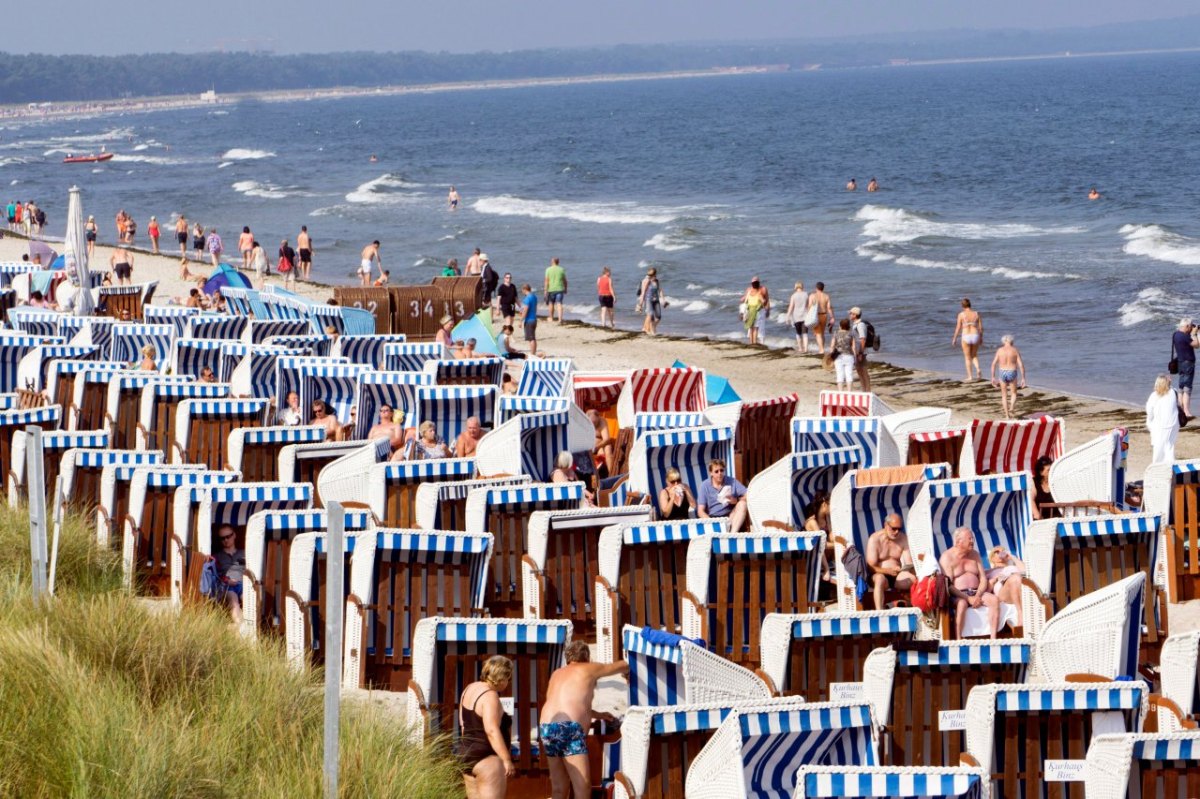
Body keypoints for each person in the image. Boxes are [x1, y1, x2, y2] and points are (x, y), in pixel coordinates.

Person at [539, 640, 628, 799]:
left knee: (559, 787)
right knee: (583, 786)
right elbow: (621, 665)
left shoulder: (556, 674)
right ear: (586, 656)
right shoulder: (588, 668)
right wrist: (627, 672)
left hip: (547, 727)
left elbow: (566, 702)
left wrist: (598, 715)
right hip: (569, 729)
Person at [453, 655, 515, 799]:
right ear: (502, 678)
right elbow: (492, 730)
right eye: (509, 678)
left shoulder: (470, 688)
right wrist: (506, 759)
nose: (508, 682)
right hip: (487, 759)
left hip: (466, 754)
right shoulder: (490, 696)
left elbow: (463, 723)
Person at [939, 527, 1002, 639]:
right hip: (958, 595)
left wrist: (977, 595)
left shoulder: (975, 555)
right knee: (962, 603)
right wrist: (968, 598)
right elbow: (948, 584)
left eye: (972, 538)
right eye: (970, 539)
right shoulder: (947, 557)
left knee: (994, 600)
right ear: (959, 541)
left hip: (976, 592)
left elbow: (982, 578)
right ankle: (958, 639)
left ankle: (993, 638)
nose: (973, 541)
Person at [865, 513, 915, 611]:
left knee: (914, 579)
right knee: (879, 579)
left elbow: (909, 563)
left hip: (897, 575)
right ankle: (880, 612)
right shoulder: (875, 539)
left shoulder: (903, 538)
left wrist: (907, 569)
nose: (896, 532)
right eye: (894, 528)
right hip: (879, 575)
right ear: (886, 525)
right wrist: (887, 571)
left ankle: (919, 611)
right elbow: (870, 567)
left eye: (899, 529)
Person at [696, 458, 748, 532]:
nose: (719, 473)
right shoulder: (705, 486)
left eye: (721, 470)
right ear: (711, 473)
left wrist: (736, 500)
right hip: (714, 517)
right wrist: (712, 523)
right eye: (716, 471)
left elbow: (749, 495)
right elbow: (700, 511)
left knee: (742, 504)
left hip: (731, 516)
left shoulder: (731, 481)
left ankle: (732, 536)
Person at [214, 524, 246, 626]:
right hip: (227, 586)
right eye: (222, 538)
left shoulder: (244, 553)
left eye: (228, 536)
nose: (226, 540)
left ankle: (250, 626)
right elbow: (215, 575)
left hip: (243, 584)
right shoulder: (217, 556)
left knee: (247, 599)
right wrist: (226, 580)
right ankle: (241, 626)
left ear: (234, 535)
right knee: (233, 600)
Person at [987, 546, 1026, 627]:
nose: (1001, 553)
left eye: (1003, 551)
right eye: (997, 552)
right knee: (1015, 578)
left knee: (1016, 577)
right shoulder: (989, 571)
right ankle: (1021, 614)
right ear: (992, 558)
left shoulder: (1014, 567)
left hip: (1019, 586)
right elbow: (986, 589)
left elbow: (1026, 571)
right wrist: (994, 579)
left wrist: (1012, 557)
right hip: (1003, 592)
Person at [1147, 373, 1182, 464]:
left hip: (1161, 426)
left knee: (1159, 448)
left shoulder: (1154, 396)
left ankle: (1157, 466)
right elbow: (1178, 404)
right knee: (1169, 446)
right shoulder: (1173, 392)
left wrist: (1150, 421)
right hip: (1174, 424)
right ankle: (1170, 464)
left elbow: (1150, 413)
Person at [989, 334, 1026, 419]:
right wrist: (1023, 378)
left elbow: (993, 364)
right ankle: (1012, 407)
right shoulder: (1015, 350)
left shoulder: (999, 350)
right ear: (1011, 341)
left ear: (1003, 342)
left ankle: (1007, 415)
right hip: (1012, 371)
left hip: (1002, 372)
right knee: (1013, 393)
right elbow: (1020, 365)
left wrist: (993, 377)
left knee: (1004, 395)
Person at [952, 298, 984, 381]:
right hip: (975, 335)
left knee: (967, 357)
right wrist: (981, 337)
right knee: (974, 355)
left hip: (966, 335)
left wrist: (954, 338)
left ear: (962, 306)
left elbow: (958, 327)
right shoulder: (976, 314)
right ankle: (978, 369)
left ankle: (970, 376)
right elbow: (980, 328)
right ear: (970, 305)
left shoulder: (961, 314)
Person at [1172, 318, 1198, 419]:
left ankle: (1180, 409)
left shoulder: (1176, 334)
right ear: (1187, 326)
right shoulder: (1185, 337)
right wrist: (1195, 334)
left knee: (1181, 386)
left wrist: (1191, 332)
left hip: (1180, 362)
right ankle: (1186, 411)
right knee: (1187, 387)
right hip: (1188, 363)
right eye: (1190, 326)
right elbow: (1196, 345)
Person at [807, 282, 834, 355]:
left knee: (818, 333)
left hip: (815, 316)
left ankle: (821, 350)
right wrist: (832, 317)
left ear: (816, 288)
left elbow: (809, 306)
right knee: (822, 333)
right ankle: (822, 348)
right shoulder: (826, 296)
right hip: (824, 315)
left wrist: (807, 315)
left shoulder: (812, 295)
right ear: (823, 288)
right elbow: (829, 308)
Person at [849, 307, 871, 391]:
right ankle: (864, 390)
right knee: (859, 371)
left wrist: (860, 353)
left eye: (851, 313)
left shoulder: (860, 325)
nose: (849, 315)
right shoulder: (855, 324)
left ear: (855, 315)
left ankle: (868, 391)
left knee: (864, 371)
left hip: (861, 352)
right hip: (857, 352)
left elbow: (863, 339)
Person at [831, 318, 857, 391]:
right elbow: (853, 347)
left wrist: (831, 356)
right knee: (849, 375)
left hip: (838, 356)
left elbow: (832, 345)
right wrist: (855, 357)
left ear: (840, 325)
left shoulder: (836, 333)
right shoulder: (851, 333)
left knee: (839, 375)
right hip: (849, 356)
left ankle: (840, 392)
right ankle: (849, 392)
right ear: (848, 326)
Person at [741, 277, 769, 346]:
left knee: (751, 328)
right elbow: (765, 301)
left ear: (752, 284)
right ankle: (755, 343)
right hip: (758, 312)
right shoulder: (760, 292)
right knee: (756, 328)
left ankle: (751, 343)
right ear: (758, 284)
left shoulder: (749, 291)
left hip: (749, 311)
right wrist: (766, 305)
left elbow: (743, 300)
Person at [785, 281, 810, 354]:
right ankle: (805, 349)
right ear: (802, 286)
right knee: (805, 333)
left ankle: (800, 348)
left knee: (798, 333)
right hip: (805, 316)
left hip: (796, 317)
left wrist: (787, 316)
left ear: (795, 287)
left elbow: (791, 307)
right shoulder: (806, 294)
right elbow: (808, 306)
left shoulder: (793, 296)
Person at [1031, 455, 1058, 520]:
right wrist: (1037, 515)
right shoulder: (1034, 482)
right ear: (1041, 472)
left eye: (1052, 469)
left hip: (1056, 518)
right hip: (1040, 519)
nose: (1051, 472)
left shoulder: (1056, 481)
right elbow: (1031, 499)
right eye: (1048, 470)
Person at [588, 409, 614, 477]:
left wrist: (596, 447)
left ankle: (612, 475)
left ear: (598, 417)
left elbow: (607, 439)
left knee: (608, 450)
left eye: (595, 422)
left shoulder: (602, 422)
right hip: (590, 447)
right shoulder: (584, 423)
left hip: (601, 445)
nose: (594, 425)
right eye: (592, 423)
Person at [636, 268, 662, 336]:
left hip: (655, 300)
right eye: (649, 274)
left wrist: (663, 299)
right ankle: (647, 329)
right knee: (650, 314)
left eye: (651, 274)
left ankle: (646, 328)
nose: (649, 276)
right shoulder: (646, 280)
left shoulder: (656, 281)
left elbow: (660, 290)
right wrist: (640, 304)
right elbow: (643, 292)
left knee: (651, 315)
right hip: (647, 299)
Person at [544, 257, 567, 324]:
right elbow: (565, 281)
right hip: (560, 289)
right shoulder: (561, 269)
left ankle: (551, 317)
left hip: (551, 289)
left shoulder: (548, 269)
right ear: (558, 262)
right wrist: (565, 289)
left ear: (552, 262)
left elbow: (546, 281)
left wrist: (545, 290)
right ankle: (560, 319)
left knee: (551, 303)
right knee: (559, 303)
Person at [521, 283, 539, 356]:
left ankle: (532, 353)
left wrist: (521, 320)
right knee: (532, 337)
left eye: (522, 290)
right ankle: (533, 352)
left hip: (529, 320)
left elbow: (525, 310)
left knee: (531, 338)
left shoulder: (527, 298)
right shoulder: (534, 297)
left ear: (524, 290)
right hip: (534, 318)